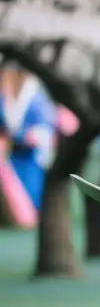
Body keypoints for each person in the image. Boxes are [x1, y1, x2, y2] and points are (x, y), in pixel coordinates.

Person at [0, 62, 56, 228]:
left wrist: (25, 136)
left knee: (31, 190)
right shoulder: (5, 98)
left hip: (30, 155)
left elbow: (45, 127)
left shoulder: (36, 99)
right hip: (12, 155)